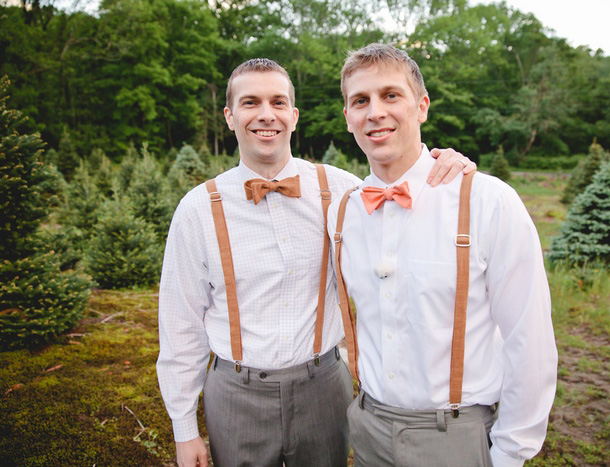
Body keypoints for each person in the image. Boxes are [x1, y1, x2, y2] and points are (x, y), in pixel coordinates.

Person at [156, 57, 476, 467]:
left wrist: (448, 164)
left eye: (278, 102)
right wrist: (184, 429)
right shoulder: (198, 209)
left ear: (294, 115)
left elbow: (406, 203)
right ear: (230, 116)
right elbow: (180, 324)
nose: (265, 115)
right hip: (235, 394)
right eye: (250, 103)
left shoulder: (342, 191)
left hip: (324, 388)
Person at [327, 44, 558, 467]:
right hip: (369, 429)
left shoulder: (487, 201)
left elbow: (530, 339)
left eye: (390, 95)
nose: (375, 112)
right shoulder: (343, 211)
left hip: (454, 436)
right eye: (360, 101)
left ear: (422, 107)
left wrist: (510, 453)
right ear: (348, 118)